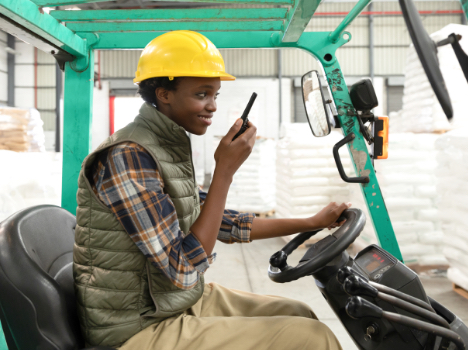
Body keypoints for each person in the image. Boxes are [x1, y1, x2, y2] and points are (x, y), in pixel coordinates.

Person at [73, 30, 349, 350]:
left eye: (215, 95)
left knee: (299, 312)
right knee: (313, 339)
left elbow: (225, 222)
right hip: (135, 325)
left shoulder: (166, 145)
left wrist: (311, 223)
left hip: (172, 302)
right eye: (202, 94)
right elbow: (183, 267)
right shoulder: (129, 156)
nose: (213, 106)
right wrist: (224, 172)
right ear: (164, 94)